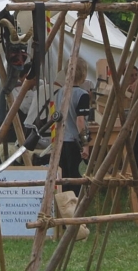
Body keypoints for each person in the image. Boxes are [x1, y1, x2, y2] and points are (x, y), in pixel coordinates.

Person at [55, 57, 90, 196]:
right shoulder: (82, 95)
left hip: (62, 141)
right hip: (75, 142)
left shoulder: (59, 93)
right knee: (76, 180)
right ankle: (75, 210)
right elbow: (80, 121)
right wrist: (85, 143)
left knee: (65, 178)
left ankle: (65, 208)